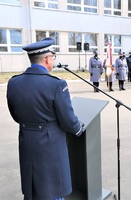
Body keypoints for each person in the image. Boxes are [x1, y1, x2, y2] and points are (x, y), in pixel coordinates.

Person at [6, 37, 85, 200]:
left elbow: (15, 116)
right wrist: (78, 128)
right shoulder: (56, 84)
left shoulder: (14, 83)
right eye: (52, 58)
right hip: (51, 147)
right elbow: (68, 120)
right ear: (47, 59)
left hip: (27, 141)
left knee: (33, 189)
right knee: (52, 192)